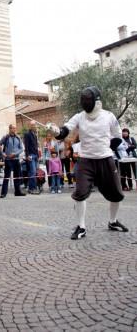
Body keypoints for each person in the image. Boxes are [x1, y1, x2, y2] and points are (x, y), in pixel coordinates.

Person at [47, 86, 128, 240]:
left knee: (116, 194)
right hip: (86, 161)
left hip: (106, 159)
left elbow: (117, 137)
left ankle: (113, 221)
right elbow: (65, 130)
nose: (86, 102)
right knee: (80, 194)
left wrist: (105, 149)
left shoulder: (109, 116)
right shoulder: (80, 117)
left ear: (96, 101)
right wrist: (56, 131)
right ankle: (81, 226)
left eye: (88, 100)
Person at [0, 124, 26, 198]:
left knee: (17, 176)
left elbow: (21, 149)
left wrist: (15, 154)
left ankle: (17, 192)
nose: (14, 130)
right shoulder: (6, 137)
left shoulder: (18, 137)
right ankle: (3, 193)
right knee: (6, 176)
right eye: (13, 128)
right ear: (10, 129)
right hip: (8, 160)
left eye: (15, 128)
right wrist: (3, 154)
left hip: (16, 159)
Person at [23, 120, 40, 194]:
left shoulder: (35, 134)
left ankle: (32, 187)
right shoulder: (27, 134)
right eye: (32, 125)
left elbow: (36, 146)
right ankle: (32, 188)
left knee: (34, 172)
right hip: (31, 155)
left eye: (35, 125)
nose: (34, 126)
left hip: (35, 155)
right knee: (32, 172)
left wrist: (38, 155)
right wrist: (27, 156)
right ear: (30, 126)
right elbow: (26, 146)